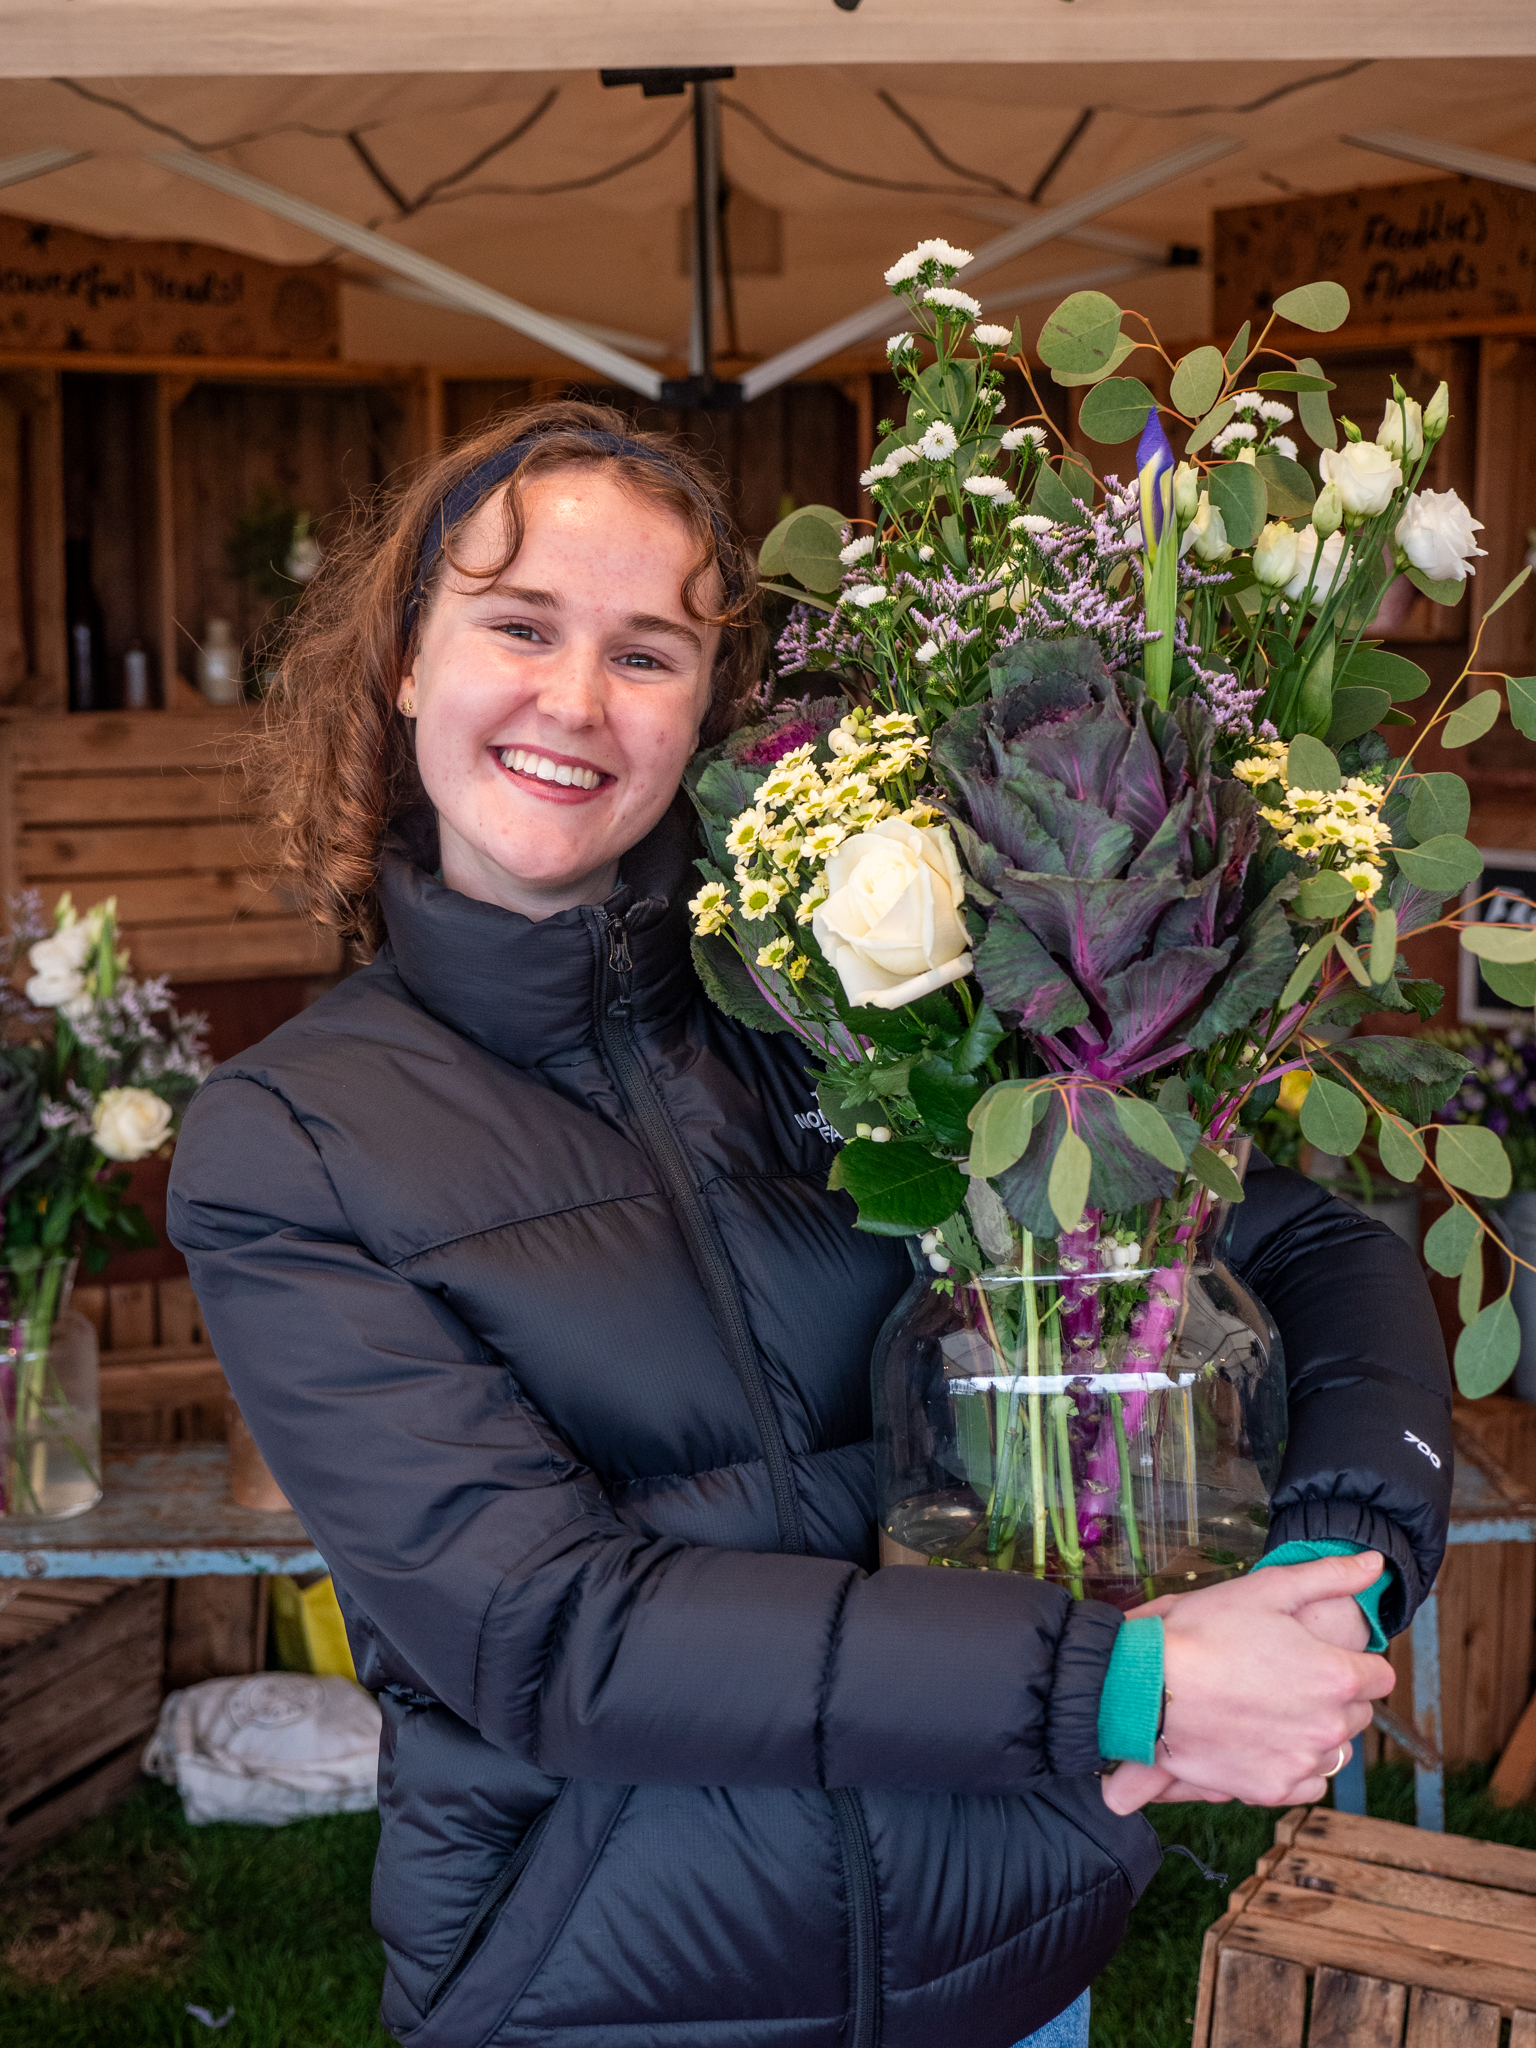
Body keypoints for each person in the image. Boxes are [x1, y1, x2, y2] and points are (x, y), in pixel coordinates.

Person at [168, 401, 1450, 2048]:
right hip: (608, 1990)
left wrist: (1330, 1581)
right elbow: (547, 1629)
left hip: (1016, 1963)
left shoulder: (865, 1006)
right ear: (408, 660)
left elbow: (1312, 1249)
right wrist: (1117, 1683)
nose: (574, 700)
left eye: (647, 652)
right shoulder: (290, 1142)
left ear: (709, 706)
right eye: (518, 626)